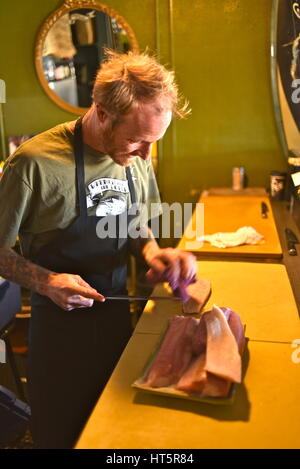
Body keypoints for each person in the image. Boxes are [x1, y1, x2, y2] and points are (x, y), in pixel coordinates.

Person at [0, 50, 197, 448]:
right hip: (58, 335)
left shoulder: (138, 155)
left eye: (153, 143)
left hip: (116, 320)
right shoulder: (33, 165)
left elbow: (136, 221)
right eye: (137, 140)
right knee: (62, 435)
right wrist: (48, 280)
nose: (145, 155)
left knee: (115, 433)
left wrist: (152, 254)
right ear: (103, 112)